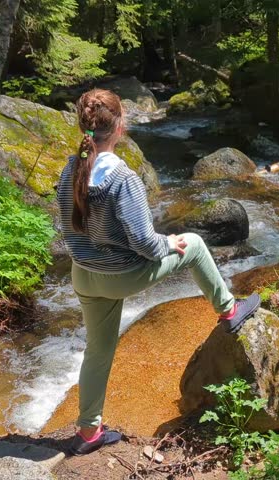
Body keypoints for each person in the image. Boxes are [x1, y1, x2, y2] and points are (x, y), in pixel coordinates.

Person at [57, 89, 260, 455]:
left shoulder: (70, 169)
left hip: (83, 274)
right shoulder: (123, 179)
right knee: (194, 245)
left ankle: (88, 432)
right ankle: (229, 311)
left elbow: (67, 228)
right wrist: (169, 242)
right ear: (120, 127)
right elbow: (144, 244)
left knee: (97, 351)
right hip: (121, 275)